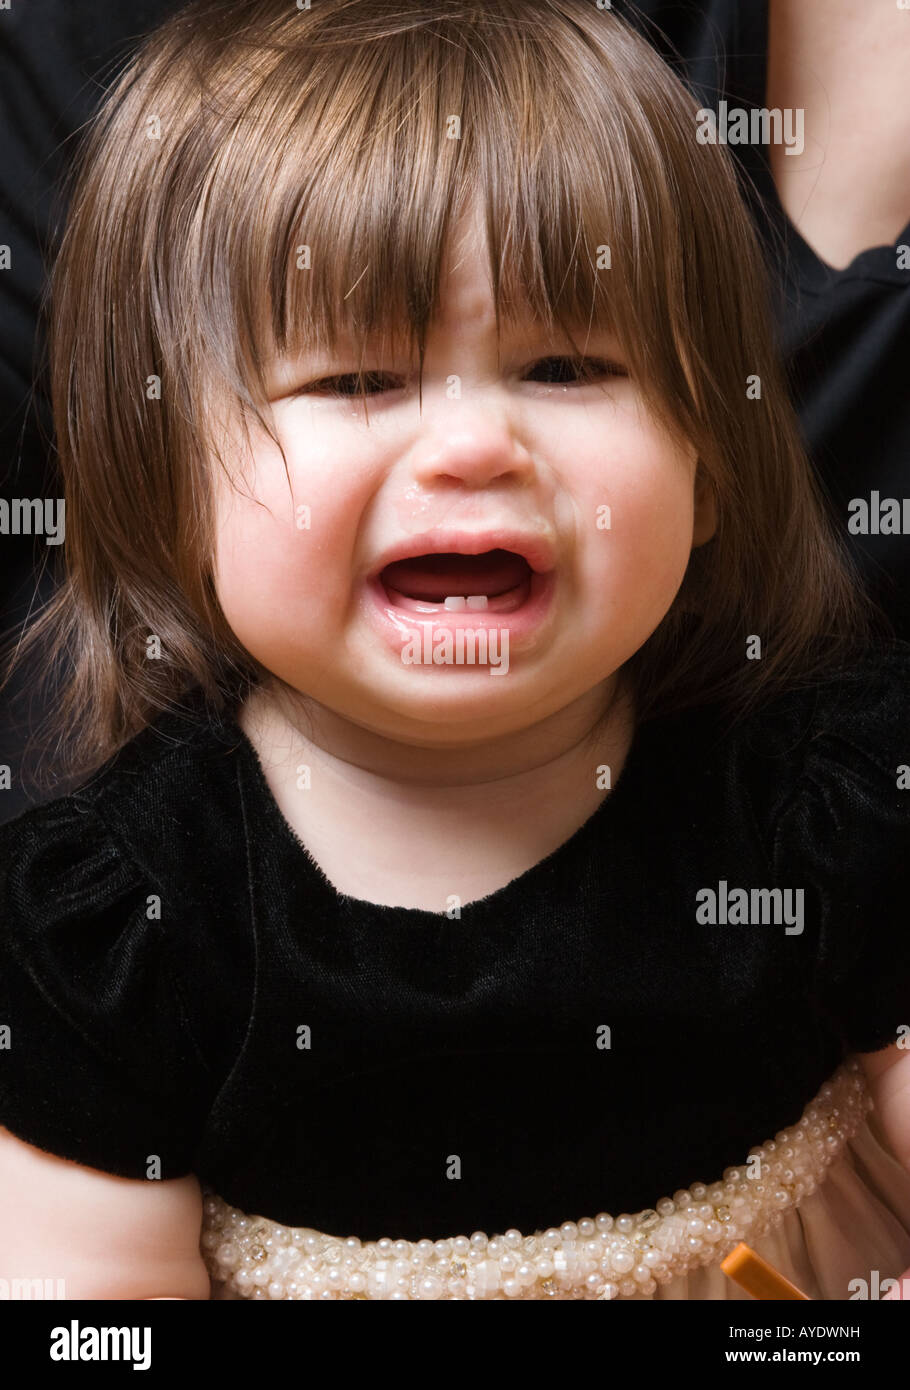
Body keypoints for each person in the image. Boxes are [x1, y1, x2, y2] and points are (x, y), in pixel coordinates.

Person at [1, 0, 909, 1302]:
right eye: (359, 381)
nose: (475, 446)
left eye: (563, 364)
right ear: (167, 481)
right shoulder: (120, 927)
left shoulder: (826, 801)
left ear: (710, 463)